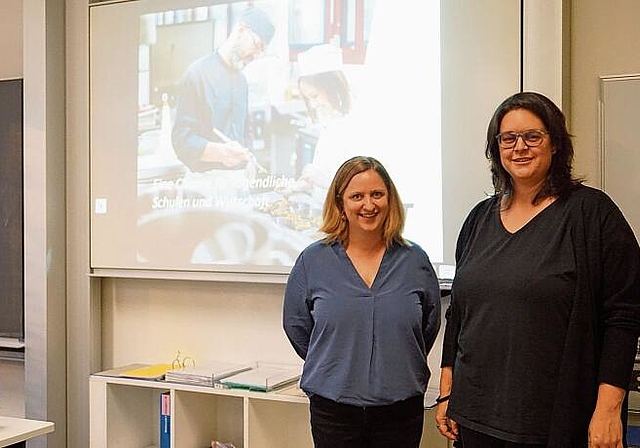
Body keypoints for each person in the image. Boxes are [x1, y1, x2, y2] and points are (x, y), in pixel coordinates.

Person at [436, 91, 640, 448]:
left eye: (533, 136)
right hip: (476, 416)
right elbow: (460, 315)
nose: (520, 147)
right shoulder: (478, 219)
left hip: (557, 420)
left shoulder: (592, 214)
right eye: (508, 138)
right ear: (496, 147)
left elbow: (624, 316)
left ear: (556, 144)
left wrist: (608, 410)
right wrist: (447, 390)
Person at [283, 155, 441, 448]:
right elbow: (297, 327)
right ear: (341, 204)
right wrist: (335, 362)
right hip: (334, 410)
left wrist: (393, 362)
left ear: (389, 199)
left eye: (377, 194)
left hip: (400, 410)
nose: (368, 205)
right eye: (357, 196)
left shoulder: (415, 260)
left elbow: (428, 326)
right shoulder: (313, 260)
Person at [171, 7, 275, 173]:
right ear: (241, 29)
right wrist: (221, 153)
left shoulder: (242, 81)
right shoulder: (197, 74)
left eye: (261, 52)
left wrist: (249, 161)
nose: (255, 55)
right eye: (256, 45)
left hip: (238, 183)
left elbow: (244, 132)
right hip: (206, 186)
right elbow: (181, 141)